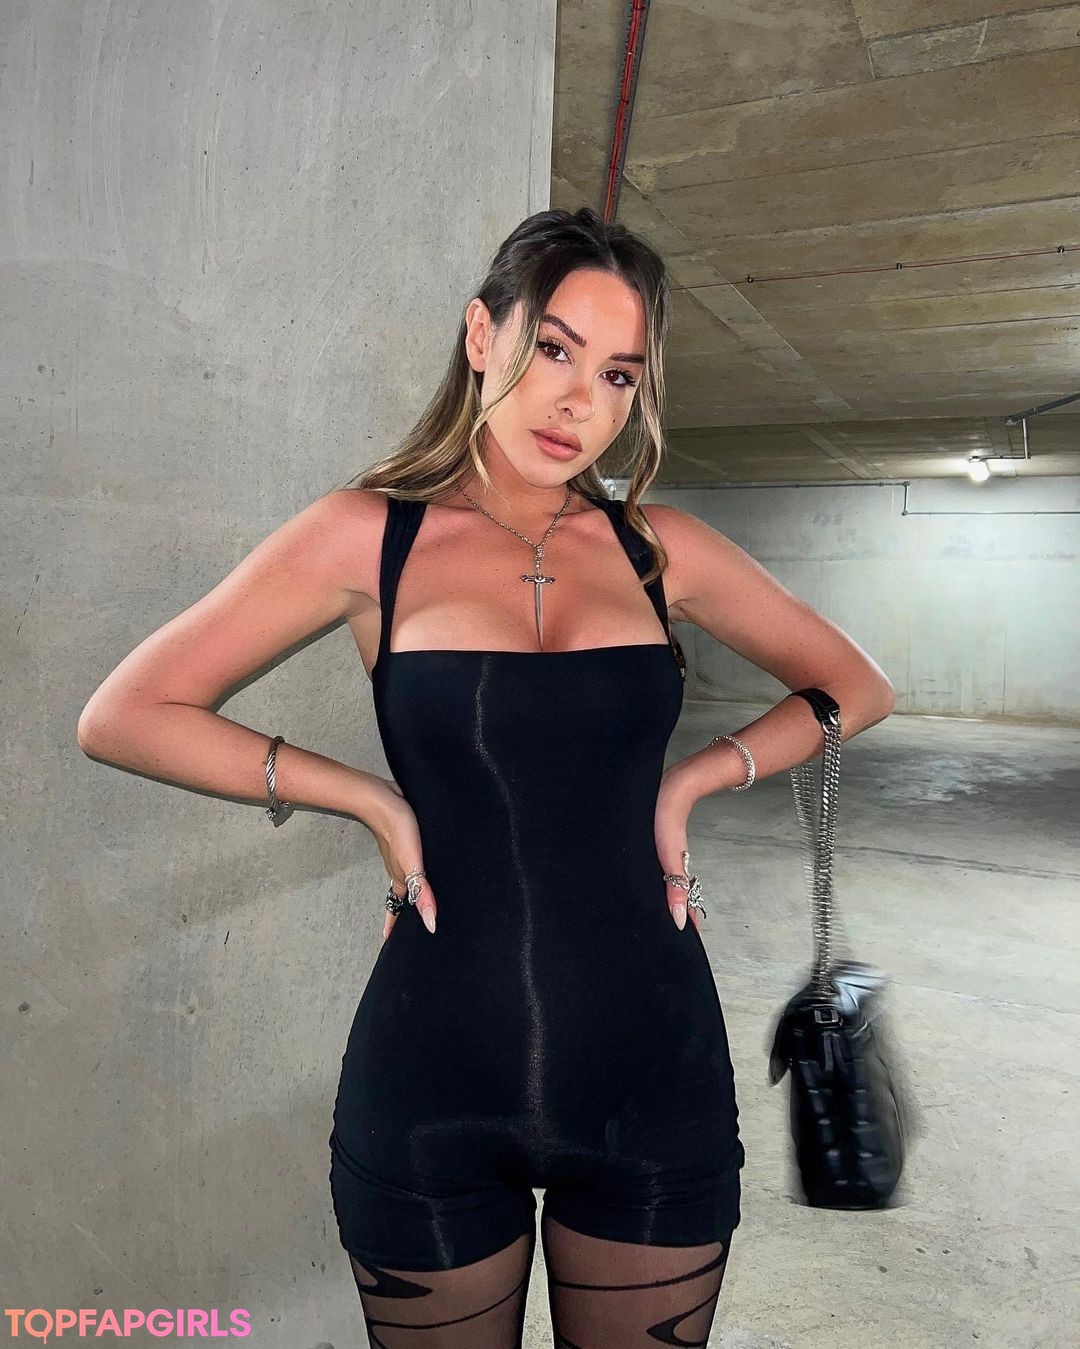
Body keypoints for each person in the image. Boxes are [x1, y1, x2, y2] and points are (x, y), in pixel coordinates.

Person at [78, 206, 895, 1347]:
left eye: (618, 374)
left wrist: (696, 778)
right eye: (554, 348)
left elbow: (856, 684)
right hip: (430, 1080)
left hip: (654, 1070)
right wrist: (367, 797)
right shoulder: (367, 538)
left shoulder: (660, 550)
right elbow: (124, 714)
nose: (580, 402)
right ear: (480, 333)